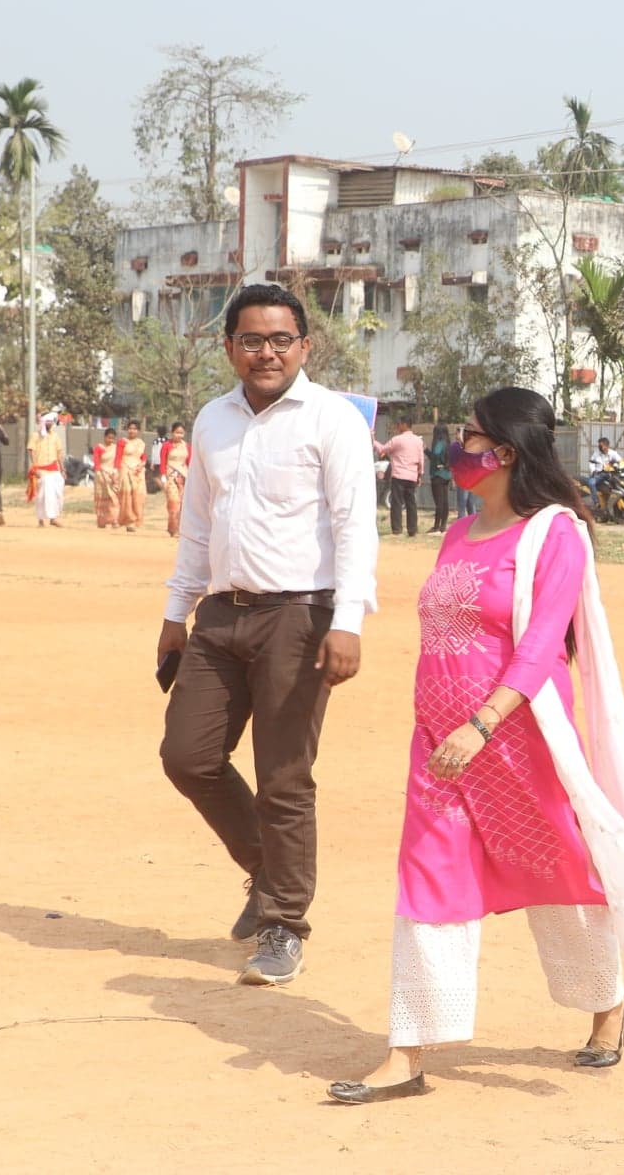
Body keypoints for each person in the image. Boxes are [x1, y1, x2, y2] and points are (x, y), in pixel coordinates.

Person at [327, 387, 624, 1105]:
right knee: (428, 879)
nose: (454, 449)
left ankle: (608, 1006)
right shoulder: (457, 532)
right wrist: (447, 726)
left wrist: (482, 724)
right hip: (439, 744)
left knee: (556, 870)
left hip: (516, 739)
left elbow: (537, 650)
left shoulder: (556, 532)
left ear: (503, 451)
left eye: (467, 437)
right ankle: (408, 1052)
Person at [156, 284, 379, 987]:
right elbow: (197, 524)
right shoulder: (212, 420)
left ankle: (283, 924)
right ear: (229, 348)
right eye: (251, 340)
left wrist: (348, 621)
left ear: (305, 347)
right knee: (187, 756)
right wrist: (174, 615)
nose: (267, 353)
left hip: (299, 618)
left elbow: (354, 526)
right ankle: (267, 869)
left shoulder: (332, 419)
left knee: (285, 779)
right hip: (221, 615)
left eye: (281, 339)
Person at [375, 416, 425, 538]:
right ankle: (412, 530)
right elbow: (421, 459)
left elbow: (382, 449)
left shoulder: (397, 440)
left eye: (399, 424)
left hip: (399, 475)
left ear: (403, 424)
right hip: (412, 476)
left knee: (396, 503)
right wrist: (420, 474)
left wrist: (373, 440)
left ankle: (397, 530)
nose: (398, 426)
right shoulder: (418, 441)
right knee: (411, 504)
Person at [27, 412, 65, 527]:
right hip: (41, 470)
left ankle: (53, 518)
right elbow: (31, 450)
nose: (49, 423)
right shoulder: (35, 435)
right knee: (42, 496)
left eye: (51, 421)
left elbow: (59, 453)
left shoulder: (55, 436)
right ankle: (41, 520)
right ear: (43, 422)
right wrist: (34, 467)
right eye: (47, 421)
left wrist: (63, 469)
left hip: (54, 469)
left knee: (57, 494)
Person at [115, 420, 148, 532]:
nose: (132, 431)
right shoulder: (122, 442)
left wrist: (142, 464)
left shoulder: (141, 443)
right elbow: (118, 457)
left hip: (138, 471)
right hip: (125, 469)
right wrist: (116, 471)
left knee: (138, 495)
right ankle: (129, 521)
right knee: (127, 493)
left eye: (134, 429)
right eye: (130, 428)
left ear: (138, 430)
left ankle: (136, 519)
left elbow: (143, 457)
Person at [161, 422, 191, 538]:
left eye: (181, 433)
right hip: (171, 477)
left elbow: (190, 462)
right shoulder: (166, 445)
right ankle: (173, 528)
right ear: (172, 432)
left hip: (184, 478)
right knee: (174, 502)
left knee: (183, 504)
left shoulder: (187, 446)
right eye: (177, 432)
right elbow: (163, 461)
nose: (179, 435)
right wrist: (163, 475)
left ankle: (180, 529)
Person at [425, 422, 453, 534]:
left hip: (437, 475)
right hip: (446, 475)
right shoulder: (448, 443)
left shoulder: (440, 443)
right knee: (445, 501)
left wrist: (426, 450)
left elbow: (435, 454)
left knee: (439, 502)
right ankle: (443, 525)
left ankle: (436, 526)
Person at [91, 428, 120, 529]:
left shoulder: (116, 448)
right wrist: (99, 473)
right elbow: (96, 461)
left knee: (114, 498)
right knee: (102, 499)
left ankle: (114, 520)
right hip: (101, 475)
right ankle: (102, 521)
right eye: (109, 438)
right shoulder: (99, 447)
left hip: (112, 475)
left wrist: (115, 471)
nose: (110, 440)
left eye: (112, 438)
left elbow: (117, 460)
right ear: (104, 437)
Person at [587, 437, 624, 506]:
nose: (599, 447)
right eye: (599, 445)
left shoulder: (613, 453)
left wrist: (617, 464)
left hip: (610, 474)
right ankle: (596, 502)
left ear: (607, 446)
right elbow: (591, 463)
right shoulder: (596, 454)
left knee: (621, 484)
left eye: (601, 445)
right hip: (599, 474)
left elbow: (620, 461)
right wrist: (593, 471)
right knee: (591, 482)